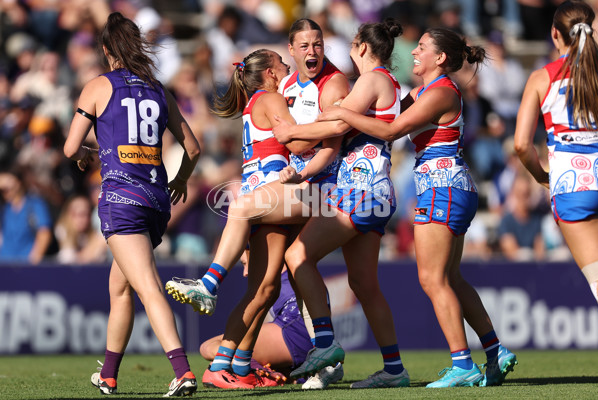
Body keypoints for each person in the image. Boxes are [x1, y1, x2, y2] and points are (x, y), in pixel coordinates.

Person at [313, 27, 517, 388]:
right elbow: (386, 116)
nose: (414, 52)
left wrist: (342, 113)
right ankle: (495, 350)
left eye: (422, 47)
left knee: (432, 279)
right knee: (451, 278)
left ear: (440, 58)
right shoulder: (422, 92)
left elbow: (390, 132)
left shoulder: (440, 92)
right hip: (448, 186)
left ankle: (462, 364)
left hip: (442, 187)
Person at [165, 18, 349, 390]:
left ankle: (229, 364)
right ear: (270, 72)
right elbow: (295, 144)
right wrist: (336, 124)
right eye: (282, 65)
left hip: (271, 200)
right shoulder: (271, 97)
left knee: (263, 289)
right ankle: (210, 283)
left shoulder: (252, 104)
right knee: (249, 225)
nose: (286, 69)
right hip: (279, 197)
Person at [268, 19, 412, 389]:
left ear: (362, 47)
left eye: (351, 42)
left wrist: (292, 132)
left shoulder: (370, 79)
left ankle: (326, 345)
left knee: (297, 256)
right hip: (379, 193)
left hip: (359, 192)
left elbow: (334, 126)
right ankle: (394, 368)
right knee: (365, 285)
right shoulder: (389, 83)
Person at [63, 12, 201, 397]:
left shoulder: (97, 86)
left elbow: (70, 147)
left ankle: (182, 371)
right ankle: (108, 374)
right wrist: (182, 180)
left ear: (107, 50)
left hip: (121, 199)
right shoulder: (160, 89)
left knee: (147, 287)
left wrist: (92, 149)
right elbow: (192, 148)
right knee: (120, 288)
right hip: (157, 200)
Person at [514, 1, 598, 310]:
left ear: (555, 34)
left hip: (571, 184)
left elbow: (522, 145)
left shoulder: (542, 77)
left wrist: (541, 177)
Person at [0, 167, 53, 265]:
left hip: (25, 263)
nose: (4, 188)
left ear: (19, 182)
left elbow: (44, 233)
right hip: (4, 263)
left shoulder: (35, 204)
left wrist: (33, 261)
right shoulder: (4, 208)